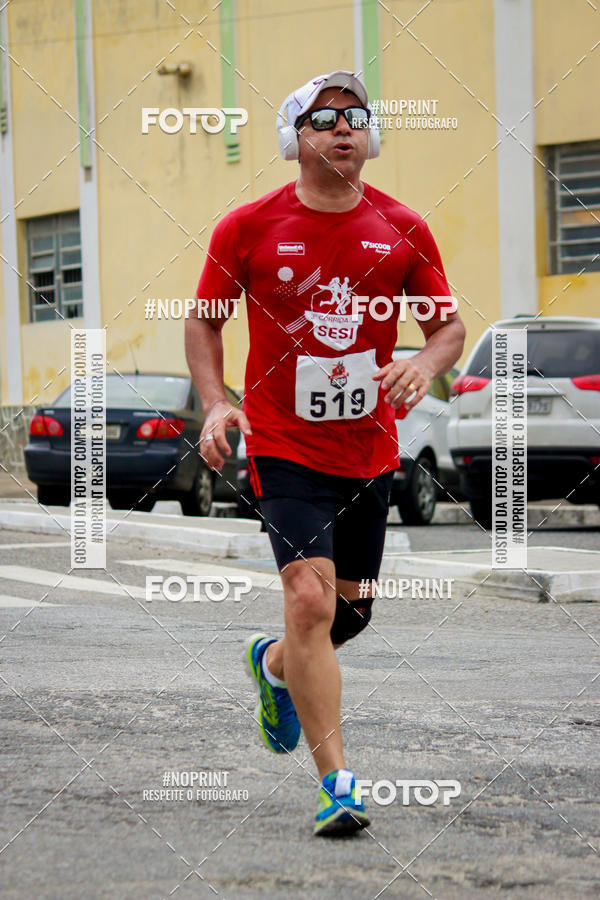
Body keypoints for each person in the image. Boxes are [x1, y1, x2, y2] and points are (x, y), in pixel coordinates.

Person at [185, 70, 465, 836]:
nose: (344, 127)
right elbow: (205, 321)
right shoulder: (246, 228)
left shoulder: (403, 226)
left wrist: (424, 364)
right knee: (309, 599)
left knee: (349, 615)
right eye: (324, 117)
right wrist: (217, 402)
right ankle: (337, 783)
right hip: (283, 445)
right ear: (295, 137)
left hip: (369, 450)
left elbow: (446, 326)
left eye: (356, 116)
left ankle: (275, 666)